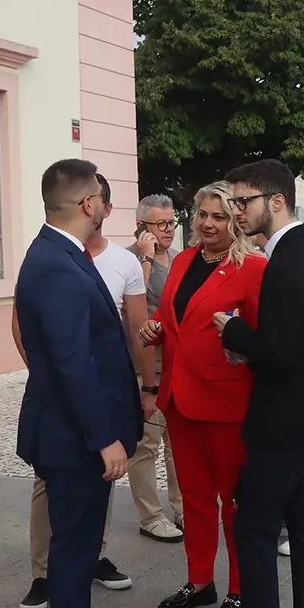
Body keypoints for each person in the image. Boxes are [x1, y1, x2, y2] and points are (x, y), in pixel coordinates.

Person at [214, 158, 304, 608]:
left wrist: (233, 332)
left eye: (243, 201)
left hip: (285, 424)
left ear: (276, 201)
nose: (236, 212)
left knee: (254, 527)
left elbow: (279, 350)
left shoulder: (287, 262)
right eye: (233, 202)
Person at [12, 174, 149, 608]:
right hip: (73, 439)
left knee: (78, 549)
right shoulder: (56, 262)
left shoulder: (62, 253)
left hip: (73, 433)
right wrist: (103, 437)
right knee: (73, 554)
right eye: (102, 199)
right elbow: (72, 361)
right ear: (89, 203)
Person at [138, 181, 265, 608]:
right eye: (203, 216)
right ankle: (200, 581)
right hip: (179, 398)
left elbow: (262, 336)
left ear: (236, 221)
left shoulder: (252, 268)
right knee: (193, 499)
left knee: (233, 502)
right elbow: (172, 314)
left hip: (226, 402)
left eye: (220, 216)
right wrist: (154, 326)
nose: (209, 224)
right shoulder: (184, 260)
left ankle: (239, 589)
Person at [127, 193, 186, 543]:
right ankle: (150, 515)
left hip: (178, 366)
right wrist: (145, 257)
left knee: (177, 443)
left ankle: (182, 506)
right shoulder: (128, 259)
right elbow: (132, 303)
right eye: (160, 224)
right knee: (146, 445)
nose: (168, 230)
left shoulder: (179, 259)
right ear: (141, 228)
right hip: (146, 369)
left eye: (171, 223)